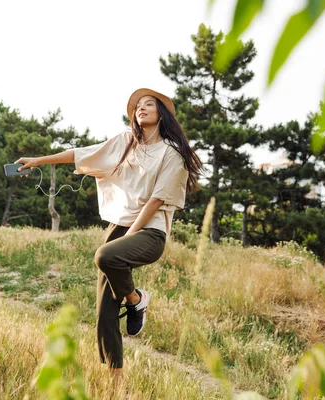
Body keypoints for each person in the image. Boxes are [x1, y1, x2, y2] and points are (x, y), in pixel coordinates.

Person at [15, 88, 203, 379]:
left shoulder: (171, 154)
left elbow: (155, 200)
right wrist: (38, 161)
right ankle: (115, 384)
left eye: (148, 104)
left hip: (149, 231)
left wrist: (131, 234)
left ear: (161, 114)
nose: (141, 108)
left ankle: (136, 299)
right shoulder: (124, 142)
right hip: (120, 227)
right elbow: (83, 154)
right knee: (104, 310)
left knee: (105, 256)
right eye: (138, 106)